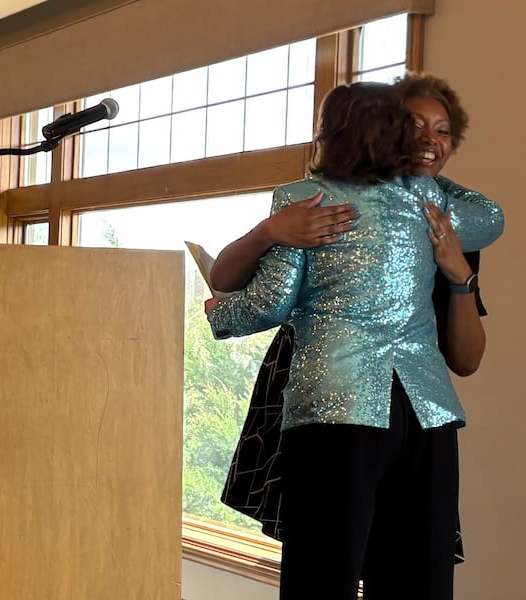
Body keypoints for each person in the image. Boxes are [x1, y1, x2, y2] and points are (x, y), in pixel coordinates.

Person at [205, 81, 504, 599]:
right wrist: (419, 179)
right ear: (394, 136)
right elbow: (492, 216)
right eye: (414, 130)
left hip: (336, 406)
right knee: (418, 579)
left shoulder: (306, 199)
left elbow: (268, 303)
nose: (428, 143)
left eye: (441, 133)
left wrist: (219, 313)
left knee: (322, 576)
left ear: (328, 135)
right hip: (425, 415)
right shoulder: (430, 204)